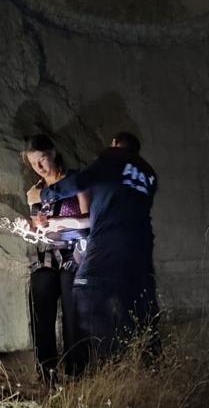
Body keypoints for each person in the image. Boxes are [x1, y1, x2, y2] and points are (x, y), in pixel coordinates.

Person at [28, 130, 158, 364]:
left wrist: (46, 194)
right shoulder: (149, 175)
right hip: (140, 245)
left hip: (107, 241)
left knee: (84, 292)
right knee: (141, 304)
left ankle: (95, 366)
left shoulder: (111, 161)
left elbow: (79, 183)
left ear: (116, 143)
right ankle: (147, 362)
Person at [23, 134, 91, 380]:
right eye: (33, 164)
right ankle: (47, 371)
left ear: (53, 153)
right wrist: (32, 224)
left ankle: (78, 371)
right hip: (47, 251)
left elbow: (89, 219)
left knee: (72, 303)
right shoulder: (35, 192)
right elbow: (36, 227)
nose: (39, 168)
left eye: (42, 160)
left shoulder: (75, 181)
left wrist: (59, 223)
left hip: (74, 249)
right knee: (40, 293)